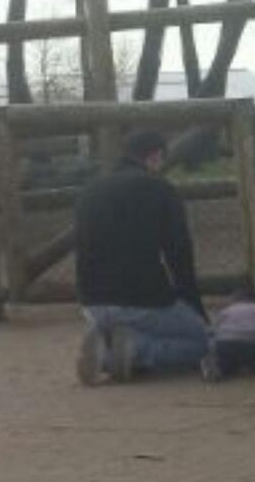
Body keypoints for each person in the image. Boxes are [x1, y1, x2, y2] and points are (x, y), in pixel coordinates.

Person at [75, 129, 209, 385]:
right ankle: (131, 352)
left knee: (134, 324)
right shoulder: (160, 189)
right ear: (156, 156)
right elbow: (179, 254)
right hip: (144, 300)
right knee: (205, 341)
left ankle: (107, 341)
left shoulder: (89, 191)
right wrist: (196, 309)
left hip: (91, 301)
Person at [202, 283, 255, 381]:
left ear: (234, 300)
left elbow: (212, 329)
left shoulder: (226, 310)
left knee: (215, 345)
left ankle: (218, 368)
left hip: (226, 343)